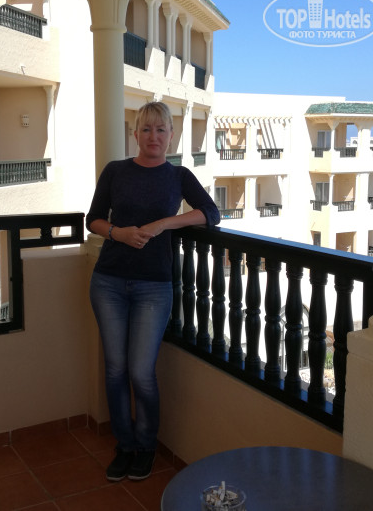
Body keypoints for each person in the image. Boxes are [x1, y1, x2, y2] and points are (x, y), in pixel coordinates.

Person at [86, 101, 220, 482]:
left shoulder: (178, 176)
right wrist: (119, 233)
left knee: (141, 372)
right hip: (109, 282)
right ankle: (124, 445)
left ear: (171, 136)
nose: (153, 136)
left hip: (154, 288)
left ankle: (145, 446)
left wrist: (163, 224)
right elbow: (93, 219)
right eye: (146, 129)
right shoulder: (115, 171)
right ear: (135, 134)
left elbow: (210, 213)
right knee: (115, 370)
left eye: (161, 130)